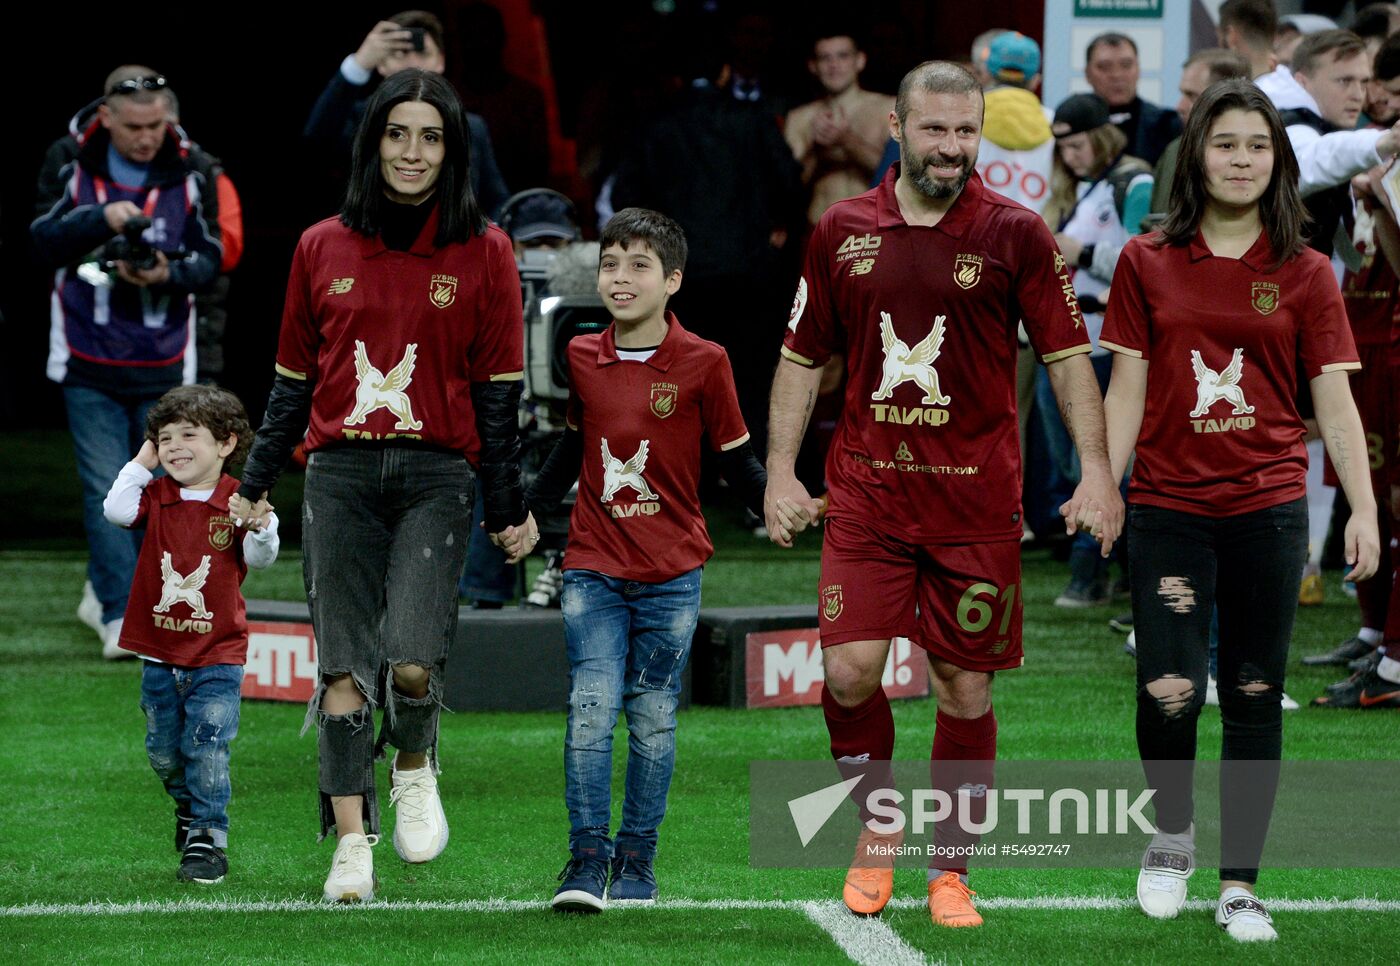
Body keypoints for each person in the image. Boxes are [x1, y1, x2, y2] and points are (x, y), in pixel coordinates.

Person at [764, 60, 1123, 928]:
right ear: (897, 126)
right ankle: (878, 829)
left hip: (974, 508)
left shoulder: (1017, 234)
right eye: (936, 130)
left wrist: (1099, 472)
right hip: (867, 500)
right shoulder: (841, 229)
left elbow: (1072, 359)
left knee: (965, 690)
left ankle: (951, 872)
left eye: (968, 132)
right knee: (849, 675)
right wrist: (780, 470)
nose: (953, 148)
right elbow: (801, 358)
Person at [234, 69, 536, 903]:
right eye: (397, 134)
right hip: (338, 478)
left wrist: (508, 505)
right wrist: (255, 482)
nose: (413, 151)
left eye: (431, 136)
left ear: (454, 150)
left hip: (437, 478)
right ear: (372, 144)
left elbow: (498, 397)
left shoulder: (487, 249)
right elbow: (291, 384)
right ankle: (351, 847)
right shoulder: (319, 244)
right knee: (342, 674)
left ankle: (412, 762)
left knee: (407, 663)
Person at [1098, 78, 1379, 941]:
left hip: (1267, 509)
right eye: (1226, 143)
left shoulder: (1303, 270)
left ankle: (1241, 886)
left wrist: (1363, 511)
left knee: (1255, 692)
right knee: (1170, 689)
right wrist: (1104, 486)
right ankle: (1171, 838)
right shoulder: (1146, 261)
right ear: (1197, 154)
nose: (1242, 159)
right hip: (1169, 508)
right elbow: (1127, 390)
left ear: (1278, 159)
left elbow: (1332, 402)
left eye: (1258, 145)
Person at [523, 208, 770, 911]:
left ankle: (637, 861)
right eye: (610, 264)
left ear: (673, 281)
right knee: (591, 709)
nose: (620, 278)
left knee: (654, 718)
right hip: (592, 567)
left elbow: (736, 461)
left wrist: (782, 504)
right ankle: (585, 860)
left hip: (672, 573)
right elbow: (573, 447)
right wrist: (526, 512)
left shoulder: (705, 361)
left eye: (638, 266)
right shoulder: (580, 354)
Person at [31, 66, 223, 660]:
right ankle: (119, 612)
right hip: (87, 351)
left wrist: (168, 272)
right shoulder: (68, 158)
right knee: (102, 488)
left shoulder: (196, 168)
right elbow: (40, 238)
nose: (146, 137)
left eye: (156, 124)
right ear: (105, 117)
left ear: (169, 115)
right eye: (133, 127)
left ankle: (144, 602)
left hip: (165, 357)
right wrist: (103, 218)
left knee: (169, 490)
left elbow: (214, 255)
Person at [101, 384, 279, 885]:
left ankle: (208, 837)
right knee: (162, 751)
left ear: (225, 443)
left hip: (218, 653)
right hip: (159, 652)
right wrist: (142, 461)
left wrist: (262, 526)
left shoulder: (240, 500)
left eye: (188, 435)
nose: (174, 446)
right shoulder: (155, 496)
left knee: (207, 743)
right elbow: (115, 510)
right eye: (164, 438)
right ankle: (188, 809)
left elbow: (261, 560)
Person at [1040, 93, 1153, 608]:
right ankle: (1124, 569)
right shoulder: (1071, 187)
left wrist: (1080, 252)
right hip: (1062, 339)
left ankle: (1091, 570)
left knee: (1102, 461)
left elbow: (1144, 257)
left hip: (1109, 342)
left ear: (1102, 136)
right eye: (1061, 146)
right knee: (1072, 460)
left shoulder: (1134, 181)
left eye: (1078, 143)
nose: (1070, 155)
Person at [302, 10, 509, 217]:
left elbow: (497, 200)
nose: (412, 63)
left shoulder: (471, 126)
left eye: (423, 53)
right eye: (400, 53)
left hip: (452, 243)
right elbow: (317, 137)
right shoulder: (358, 119)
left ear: (441, 62)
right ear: (381, 63)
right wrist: (360, 63)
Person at [785, 30, 896, 226]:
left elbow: (900, 176)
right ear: (813, 66)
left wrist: (846, 140)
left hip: (871, 231)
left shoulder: (886, 109)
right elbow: (785, 189)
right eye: (824, 58)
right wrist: (815, 148)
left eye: (843, 56)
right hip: (818, 229)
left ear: (860, 60)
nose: (834, 65)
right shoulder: (799, 118)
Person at [1149, 49, 1252, 218]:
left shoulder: (1269, 151)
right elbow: (1161, 221)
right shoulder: (1176, 150)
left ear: (1224, 96)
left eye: (1191, 96)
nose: (1180, 106)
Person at [1083, 32, 1182, 166]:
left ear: (1138, 69)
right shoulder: (1075, 126)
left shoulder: (1167, 124)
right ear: (1087, 74)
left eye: (1126, 65)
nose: (1116, 75)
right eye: (1105, 67)